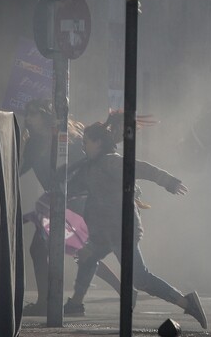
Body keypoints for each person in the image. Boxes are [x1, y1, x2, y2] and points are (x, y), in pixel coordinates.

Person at [63, 121, 208, 329]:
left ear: (98, 142)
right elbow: (73, 186)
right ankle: (77, 303)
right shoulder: (90, 166)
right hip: (104, 233)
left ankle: (186, 302)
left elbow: (141, 168)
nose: (83, 146)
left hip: (121, 230)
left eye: (86, 142)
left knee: (140, 278)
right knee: (85, 256)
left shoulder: (111, 162)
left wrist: (167, 181)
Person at [20, 99, 125, 316]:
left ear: (46, 115)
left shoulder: (66, 139)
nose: (28, 118)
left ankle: (45, 302)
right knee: (81, 251)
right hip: (58, 201)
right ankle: (125, 291)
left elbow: (91, 163)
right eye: (26, 113)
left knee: (43, 249)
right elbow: (19, 168)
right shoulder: (33, 143)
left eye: (33, 113)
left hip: (77, 200)